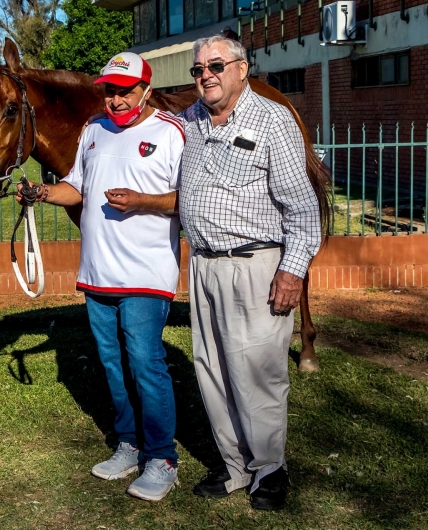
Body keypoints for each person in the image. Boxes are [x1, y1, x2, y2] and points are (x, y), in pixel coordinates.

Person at [19, 52, 184, 502]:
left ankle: (162, 457)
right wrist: (42, 191)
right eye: (109, 89)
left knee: (146, 364)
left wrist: (143, 202)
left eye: (125, 90)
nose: (115, 98)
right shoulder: (92, 130)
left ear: (146, 90)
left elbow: (188, 199)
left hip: (146, 275)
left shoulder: (172, 132)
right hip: (96, 274)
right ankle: (129, 443)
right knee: (112, 364)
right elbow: (78, 185)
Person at [178, 35, 321, 511]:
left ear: (242, 69)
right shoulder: (191, 121)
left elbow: (302, 210)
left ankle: (271, 468)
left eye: (216, 66)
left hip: (256, 266)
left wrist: (292, 272)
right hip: (203, 264)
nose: (206, 76)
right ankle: (235, 465)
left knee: (257, 374)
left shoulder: (272, 119)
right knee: (213, 368)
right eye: (199, 70)